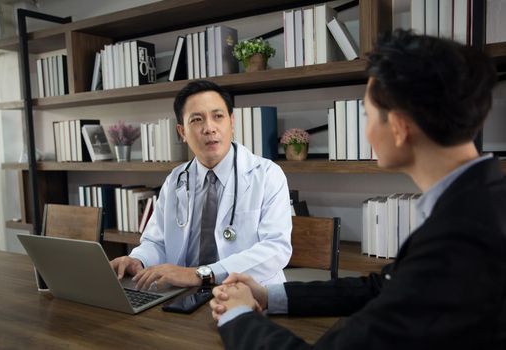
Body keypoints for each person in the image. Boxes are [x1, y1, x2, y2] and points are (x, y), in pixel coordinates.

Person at [210, 30, 506, 349]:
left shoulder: (460, 239)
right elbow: (383, 286)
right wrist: (267, 295)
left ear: (398, 126)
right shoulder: (481, 200)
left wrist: (237, 315)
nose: (366, 131)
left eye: (367, 115)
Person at [110, 80, 292, 290]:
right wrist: (139, 259)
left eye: (218, 116)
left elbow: (276, 249)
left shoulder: (267, 175)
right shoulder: (175, 179)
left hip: (249, 294)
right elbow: (156, 241)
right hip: (183, 293)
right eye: (197, 119)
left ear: (232, 123)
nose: (209, 128)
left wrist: (200, 274)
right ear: (182, 132)